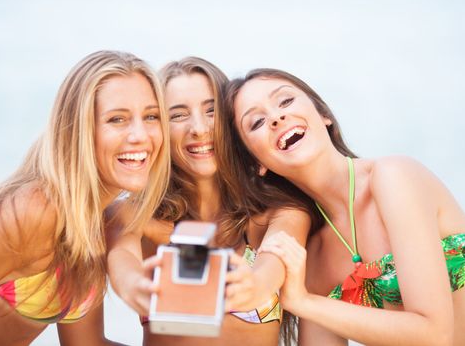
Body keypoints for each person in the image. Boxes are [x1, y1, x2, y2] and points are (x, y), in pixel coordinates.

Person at [222, 68, 465, 345]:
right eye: (256, 122)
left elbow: (436, 334)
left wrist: (303, 301)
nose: (277, 117)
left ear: (324, 116)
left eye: (286, 101)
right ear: (257, 163)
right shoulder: (312, 257)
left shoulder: (393, 177)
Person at [0, 50, 170, 346]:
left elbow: (86, 345)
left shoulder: (89, 223)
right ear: (79, 130)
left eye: (151, 116)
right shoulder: (33, 212)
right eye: (117, 119)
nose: (140, 135)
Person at [106, 57, 316, 346]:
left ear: (231, 119)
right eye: (178, 115)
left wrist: (252, 286)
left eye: (211, 110)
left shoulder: (279, 212)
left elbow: (272, 265)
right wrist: (133, 287)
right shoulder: (135, 214)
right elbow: (123, 259)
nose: (200, 129)